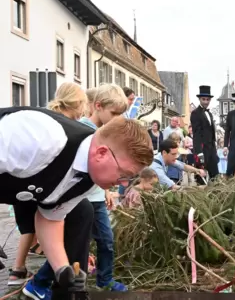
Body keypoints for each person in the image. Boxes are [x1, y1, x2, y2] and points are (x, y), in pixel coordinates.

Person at [0, 107, 152, 298]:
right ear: (102, 153)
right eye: (124, 175)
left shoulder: (87, 179)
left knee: (82, 212)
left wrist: (62, 269)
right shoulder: (43, 137)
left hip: (18, 190)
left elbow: (50, 218)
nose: (122, 184)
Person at [32, 84, 129, 293]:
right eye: (113, 113)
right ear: (98, 106)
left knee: (106, 242)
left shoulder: (105, 132)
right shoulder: (82, 131)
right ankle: (41, 282)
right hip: (77, 200)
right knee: (72, 245)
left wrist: (106, 192)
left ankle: (105, 280)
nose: (116, 119)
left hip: (95, 198)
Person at [9, 83, 88, 287]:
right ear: (78, 103)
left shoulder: (56, 121)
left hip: (30, 187)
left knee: (32, 227)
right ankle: (26, 273)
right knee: (34, 225)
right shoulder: (60, 131)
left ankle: (19, 271)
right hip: (35, 188)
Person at [190, 85, 219, 182]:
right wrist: (199, 152)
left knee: (215, 175)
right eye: (203, 99)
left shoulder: (210, 114)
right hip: (202, 149)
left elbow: (211, 133)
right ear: (199, 99)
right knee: (201, 177)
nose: (206, 101)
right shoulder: (195, 113)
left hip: (211, 149)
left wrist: (215, 147)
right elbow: (196, 134)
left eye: (207, 99)